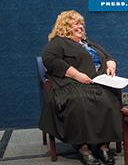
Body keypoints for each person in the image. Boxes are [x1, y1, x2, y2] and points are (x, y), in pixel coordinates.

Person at [39, 10, 122, 165]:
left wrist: (111, 62)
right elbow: (48, 59)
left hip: (97, 82)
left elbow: (107, 56)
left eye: (81, 23)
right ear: (65, 26)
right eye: (76, 23)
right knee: (79, 100)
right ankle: (84, 149)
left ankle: (103, 146)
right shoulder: (59, 42)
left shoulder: (89, 44)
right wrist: (75, 74)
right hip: (72, 83)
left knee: (110, 98)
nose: (81, 26)